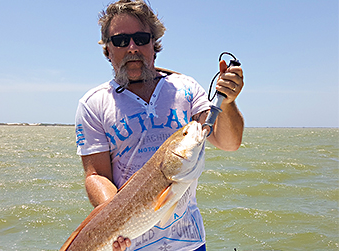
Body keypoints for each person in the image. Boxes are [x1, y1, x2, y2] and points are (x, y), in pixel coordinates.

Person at [74, 0, 244, 250]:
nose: (132, 47)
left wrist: (227, 103)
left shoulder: (186, 88)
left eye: (141, 38)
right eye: (121, 41)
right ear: (108, 50)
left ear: (154, 44)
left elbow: (228, 143)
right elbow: (96, 174)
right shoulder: (93, 104)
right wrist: (115, 218)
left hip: (190, 243)